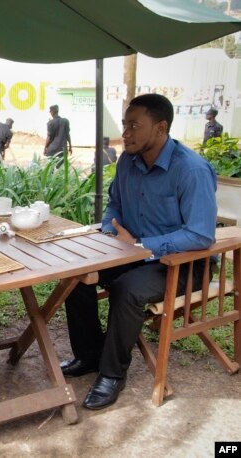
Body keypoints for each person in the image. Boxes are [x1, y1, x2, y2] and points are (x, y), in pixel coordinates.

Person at [60, 94, 216, 410]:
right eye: (125, 124)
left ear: (160, 128)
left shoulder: (191, 170)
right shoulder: (127, 162)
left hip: (185, 263)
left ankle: (112, 374)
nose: (126, 133)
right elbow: (114, 203)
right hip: (131, 252)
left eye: (134, 126)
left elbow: (200, 234)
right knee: (77, 277)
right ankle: (90, 355)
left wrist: (143, 247)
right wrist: (109, 229)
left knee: (127, 289)